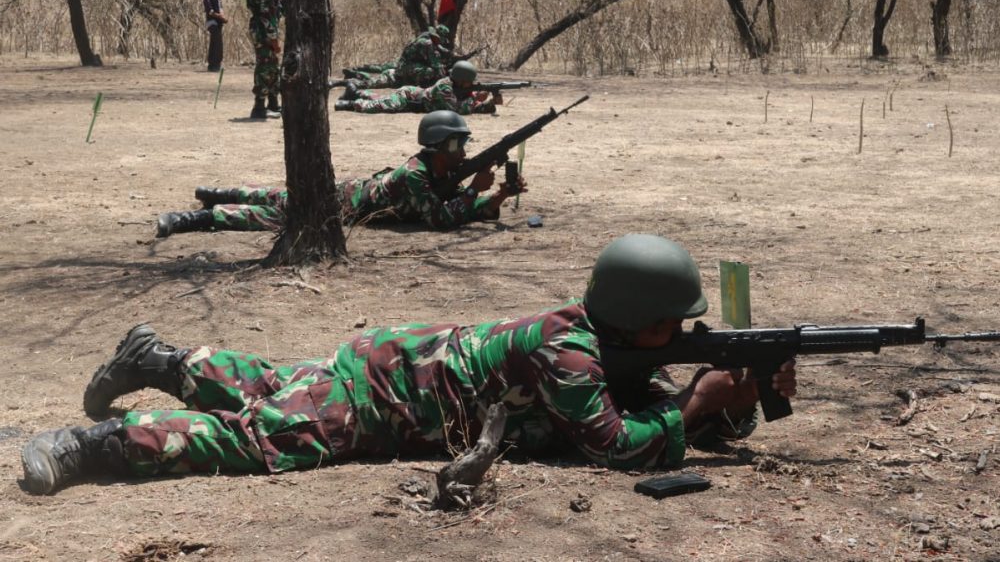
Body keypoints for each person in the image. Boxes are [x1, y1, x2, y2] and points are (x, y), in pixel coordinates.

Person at [19, 234, 797, 495]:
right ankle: (90, 447)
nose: (686, 335)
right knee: (265, 437)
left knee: (273, 386)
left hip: (385, 368)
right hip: (377, 402)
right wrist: (696, 407)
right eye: (677, 324)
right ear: (642, 320)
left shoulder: (601, 343)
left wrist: (742, 398)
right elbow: (615, 447)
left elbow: (660, 408)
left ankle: (157, 357)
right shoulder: (570, 353)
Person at [154, 111, 523, 237]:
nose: (463, 154)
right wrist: (474, 190)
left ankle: (216, 193)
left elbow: (462, 211)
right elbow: (442, 219)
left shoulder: (434, 175)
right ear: (439, 146)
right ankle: (200, 217)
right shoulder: (415, 176)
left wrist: (500, 195)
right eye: (458, 146)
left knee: (276, 196)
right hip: (340, 205)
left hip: (348, 195)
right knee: (273, 212)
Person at [334, 61, 500, 115]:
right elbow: (455, 110)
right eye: (469, 81)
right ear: (461, 79)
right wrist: (476, 99)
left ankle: (356, 92)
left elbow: (470, 106)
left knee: (382, 100)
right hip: (409, 97)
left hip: (415, 98)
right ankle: (348, 104)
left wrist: (491, 103)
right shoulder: (445, 87)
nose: (471, 85)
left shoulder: (459, 88)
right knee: (383, 106)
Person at [342, 25, 452, 90]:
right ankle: (421, 85)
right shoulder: (428, 43)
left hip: (402, 68)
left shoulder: (425, 38)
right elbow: (436, 66)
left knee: (378, 77)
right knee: (431, 71)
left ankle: (357, 73)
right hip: (405, 70)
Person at [246, 0, 283, 119]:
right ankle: (259, 106)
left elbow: (273, 8)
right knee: (265, 66)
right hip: (263, 30)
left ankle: (273, 103)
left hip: (264, 28)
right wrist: (273, 37)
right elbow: (265, 13)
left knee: (272, 65)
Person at [203, 0, 227, 72]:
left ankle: (212, 65)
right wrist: (221, 17)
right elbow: (210, 12)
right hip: (212, 22)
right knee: (217, 43)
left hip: (219, 23)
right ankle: (215, 64)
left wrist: (223, 16)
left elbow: (220, 9)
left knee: (215, 42)